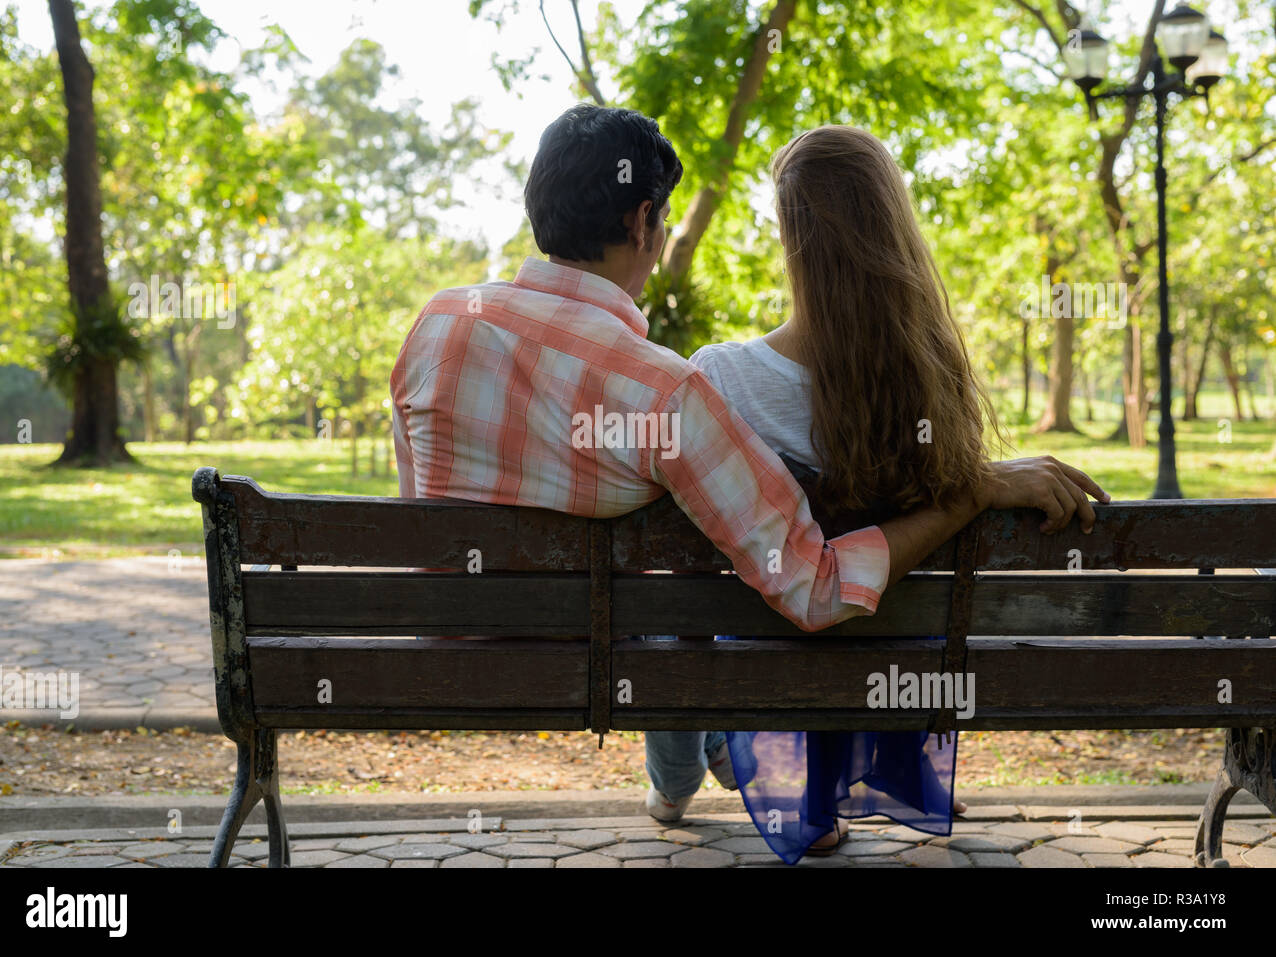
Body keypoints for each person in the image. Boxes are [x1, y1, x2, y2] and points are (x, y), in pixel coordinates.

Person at [389, 104, 1108, 833]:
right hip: (611, 658)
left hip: (453, 648)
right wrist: (972, 490)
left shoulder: (439, 324)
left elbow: (419, 501)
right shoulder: (664, 391)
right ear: (643, 223)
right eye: (664, 223)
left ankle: (708, 763)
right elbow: (813, 586)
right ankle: (731, 756)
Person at [664, 124, 1109, 864]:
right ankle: (871, 773)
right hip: (897, 673)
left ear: (790, 240)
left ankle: (791, 792)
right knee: (882, 600)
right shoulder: (934, 381)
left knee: (707, 599)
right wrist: (982, 484)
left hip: (766, 665)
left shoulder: (719, 378)